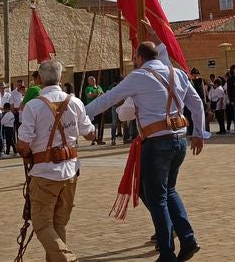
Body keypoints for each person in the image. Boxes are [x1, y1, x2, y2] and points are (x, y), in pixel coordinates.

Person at [84, 40, 206, 262]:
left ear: (140, 58)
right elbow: (196, 103)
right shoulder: (176, 73)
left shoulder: (139, 76)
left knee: (157, 197)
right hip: (179, 139)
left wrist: (82, 113)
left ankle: (168, 252)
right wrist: (199, 132)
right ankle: (188, 239)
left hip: (157, 142)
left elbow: (109, 98)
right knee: (169, 191)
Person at [15, 60, 95, 262]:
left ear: (40, 79)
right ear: (61, 78)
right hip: (70, 171)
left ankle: (67, 258)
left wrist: (26, 152)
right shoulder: (75, 102)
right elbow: (90, 135)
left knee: (42, 224)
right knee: (58, 225)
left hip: (45, 173)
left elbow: (23, 144)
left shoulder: (33, 106)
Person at [81, 76, 105, 145]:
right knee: (92, 125)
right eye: (91, 80)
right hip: (92, 109)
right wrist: (96, 94)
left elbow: (103, 94)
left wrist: (101, 94)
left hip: (100, 108)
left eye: (93, 80)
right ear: (88, 82)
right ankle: (93, 139)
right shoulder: (88, 88)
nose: (93, 81)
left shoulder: (99, 87)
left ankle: (100, 139)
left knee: (101, 124)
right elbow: (89, 95)